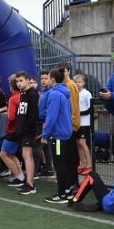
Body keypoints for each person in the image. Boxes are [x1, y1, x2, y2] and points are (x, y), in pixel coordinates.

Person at [41, 68, 76, 204]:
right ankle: (67, 191)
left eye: (48, 78)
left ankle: (62, 193)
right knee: (64, 163)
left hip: (59, 135)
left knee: (59, 164)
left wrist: (45, 134)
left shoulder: (55, 94)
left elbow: (51, 116)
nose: (46, 80)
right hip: (66, 133)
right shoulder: (64, 92)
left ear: (53, 80)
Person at [13, 72, 40, 195]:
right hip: (23, 130)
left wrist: (26, 127)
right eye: (17, 81)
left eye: (21, 80)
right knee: (25, 155)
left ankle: (30, 185)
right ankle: (28, 182)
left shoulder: (32, 94)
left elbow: (34, 115)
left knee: (27, 155)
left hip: (29, 130)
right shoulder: (23, 94)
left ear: (28, 80)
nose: (19, 83)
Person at [74, 74, 93, 175]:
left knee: (82, 142)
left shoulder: (86, 93)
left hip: (85, 123)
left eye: (80, 82)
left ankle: (89, 165)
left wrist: (79, 114)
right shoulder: (75, 93)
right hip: (77, 123)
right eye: (76, 82)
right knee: (78, 143)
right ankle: (83, 164)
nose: (78, 84)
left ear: (84, 83)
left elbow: (90, 109)